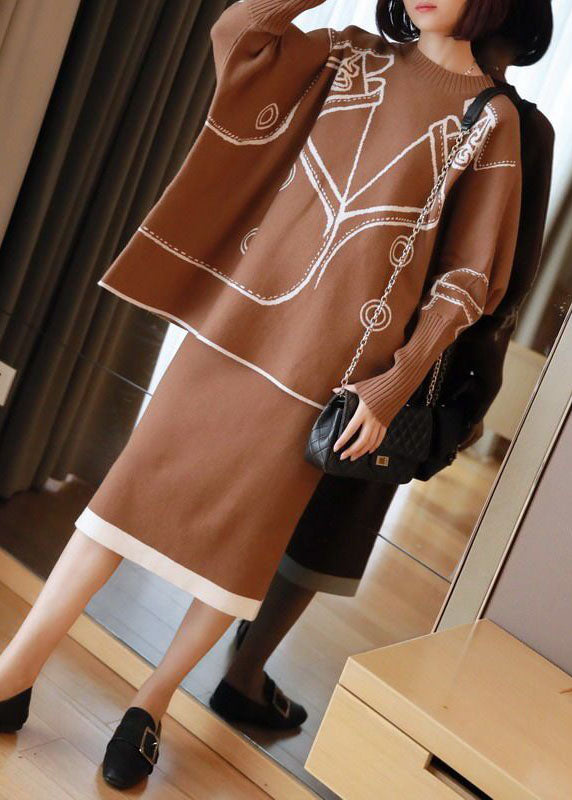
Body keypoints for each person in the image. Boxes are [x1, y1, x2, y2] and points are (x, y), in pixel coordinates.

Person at [0, 0, 526, 790]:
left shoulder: (490, 119)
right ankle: (14, 670)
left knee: (241, 548)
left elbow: (469, 280)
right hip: (234, 325)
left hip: (330, 370)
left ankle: (151, 703)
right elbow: (238, 37)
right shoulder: (349, 53)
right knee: (123, 498)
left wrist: (393, 383)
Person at [208, 0, 555, 731]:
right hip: (403, 350)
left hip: (342, 329)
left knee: (299, 490)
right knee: (334, 507)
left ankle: (229, 663)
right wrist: (471, 382)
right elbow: (509, 279)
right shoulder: (513, 122)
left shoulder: (487, 113)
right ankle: (244, 670)